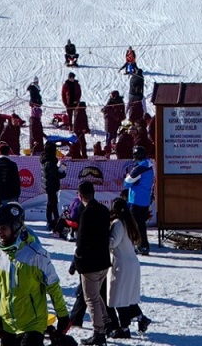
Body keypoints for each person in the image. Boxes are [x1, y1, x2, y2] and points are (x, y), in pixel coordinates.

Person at [0, 201, 69, 346]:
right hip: (7, 324)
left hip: (32, 324)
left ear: (15, 227)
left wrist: (62, 315)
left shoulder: (36, 254)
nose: (0, 233)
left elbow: (53, 285)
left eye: (4, 228)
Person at [71, 181, 112, 345]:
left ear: (80, 195)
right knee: (96, 295)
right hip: (103, 261)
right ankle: (106, 320)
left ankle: (99, 332)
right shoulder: (103, 210)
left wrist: (77, 259)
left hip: (90, 264)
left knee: (91, 299)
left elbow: (82, 241)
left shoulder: (86, 214)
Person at [107, 196, 149, 335]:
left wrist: (102, 238)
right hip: (131, 262)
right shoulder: (129, 222)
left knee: (119, 297)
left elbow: (113, 242)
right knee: (127, 296)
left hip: (122, 264)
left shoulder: (118, 223)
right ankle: (140, 318)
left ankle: (124, 328)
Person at [123, 147, 154, 255]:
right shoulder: (149, 165)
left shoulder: (140, 167)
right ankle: (142, 245)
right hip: (144, 199)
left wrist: (127, 177)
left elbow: (127, 182)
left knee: (136, 224)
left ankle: (141, 245)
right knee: (140, 224)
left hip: (137, 199)